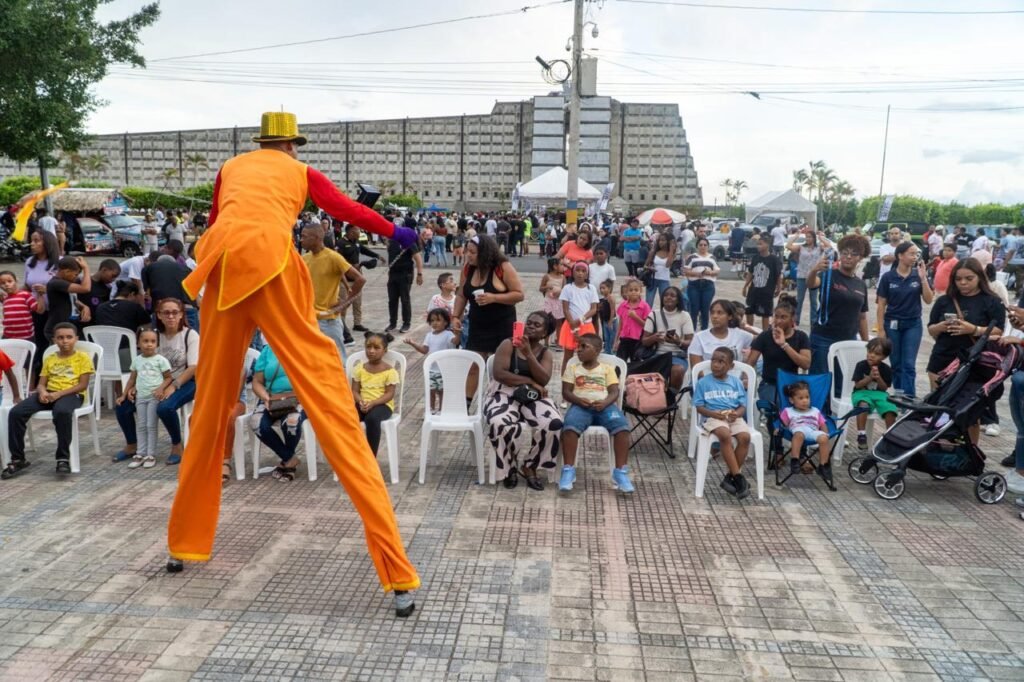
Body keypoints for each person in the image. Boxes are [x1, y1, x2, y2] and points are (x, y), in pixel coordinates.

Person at [167, 113, 421, 615]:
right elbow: (346, 209)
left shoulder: (231, 166)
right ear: (290, 145)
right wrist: (397, 231)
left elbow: (216, 219)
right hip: (269, 265)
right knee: (329, 398)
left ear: (262, 142)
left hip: (221, 268)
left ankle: (184, 543)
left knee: (212, 400)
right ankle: (397, 574)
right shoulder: (301, 172)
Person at [2, 323, 93, 478]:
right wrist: (43, 392)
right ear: (54, 340)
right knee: (16, 412)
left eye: (69, 337)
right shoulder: (50, 358)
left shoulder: (83, 358)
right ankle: (18, 459)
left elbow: (82, 385)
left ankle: (63, 458)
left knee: (62, 412)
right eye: (60, 338)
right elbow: (41, 384)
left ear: (76, 339)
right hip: (49, 393)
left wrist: (58, 394)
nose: (65, 341)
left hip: (72, 394)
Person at [114, 298, 198, 466]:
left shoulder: (190, 335)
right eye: (166, 312)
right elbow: (143, 363)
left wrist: (173, 386)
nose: (171, 316)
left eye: (175, 312)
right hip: (154, 382)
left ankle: (177, 445)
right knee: (122, 405)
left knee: (165, 408)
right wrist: (135, 386)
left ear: (181, 314)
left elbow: (193, 367)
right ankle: (132, 444)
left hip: (185, 382)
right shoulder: (154, 336)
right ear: (158, 315)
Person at [485, 311, 563, 491]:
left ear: (545, 333)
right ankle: (509, 467)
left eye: (537, 325)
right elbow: (499, 374)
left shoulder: (545, 353)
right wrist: (529, 381)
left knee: (554, 423)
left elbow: (544, 380)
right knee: (499, 422)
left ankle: (530, 466)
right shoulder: (508, 344)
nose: (530, 327)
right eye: (529, 323)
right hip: (504, 391)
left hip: (532, 396)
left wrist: (529, 354)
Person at [451, 235, 524, 402]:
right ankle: (465, 404)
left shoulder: (502, 267)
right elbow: (461, 294)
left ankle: (501, 402)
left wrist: (494, 298)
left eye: (473, 252)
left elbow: (519, 295)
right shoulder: (468, 268)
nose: (468, 255)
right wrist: (455, 316)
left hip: (502, 324)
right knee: (473, 366)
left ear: (485, 253)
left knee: (501, 368)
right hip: (477, 324)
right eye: (467, 251)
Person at [559, 333, 634, 493]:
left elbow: (614, 392)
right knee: (569, 428)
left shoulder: (607, 369)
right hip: (580, 406)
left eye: (584, 346)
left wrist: (605, 402)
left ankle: (620, 472)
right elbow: (566, 392)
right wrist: (578, 400)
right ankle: (568, 470)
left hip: (605, 407)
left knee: (622, 428)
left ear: (598, 350)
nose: (579, 350)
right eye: (578, 346)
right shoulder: (573, 368)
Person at [926, 257, 1004, 389]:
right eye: (958, 279)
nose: (963, 283)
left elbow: (999, 330)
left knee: (967, 399)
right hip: (943, 357)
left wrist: (974, 329)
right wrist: (940, 327)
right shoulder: (944, 301)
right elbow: (931, 328)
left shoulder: (992, 301)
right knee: (937, 398)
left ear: (979, 277)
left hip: (975, 360)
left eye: (969, 278)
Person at [693, 346, 753, 499]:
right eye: (713, 360)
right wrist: (713, 414)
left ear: (731, 366)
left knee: (745, 437)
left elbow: (742, 406)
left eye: (721, 362)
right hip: (712, 417)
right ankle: (738, 477)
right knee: (724, 435)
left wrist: (736, 414)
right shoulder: (703, 382)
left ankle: (730, 477)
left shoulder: (736, 382)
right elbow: (699, 407)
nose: (715, 364)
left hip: (733, 417)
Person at [807, 234, 871, 375]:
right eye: (844, 253)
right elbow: (811, 284)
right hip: (823, 337)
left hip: (849, 339)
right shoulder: (828, 275)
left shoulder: (860, 284)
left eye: (854, 254)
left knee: (843, 379)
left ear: (860, 258)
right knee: (820, 379)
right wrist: (814, 270)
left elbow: (862, 317)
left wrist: (866, 344)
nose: (848, 257)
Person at [876, 241, 933, 398]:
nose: (915, 257)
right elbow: (881, 305)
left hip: (912, 324)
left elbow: (929, 300)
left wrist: (923, 279)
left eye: (916, 254)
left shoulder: (917, 275)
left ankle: (909, 397)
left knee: (908, 363)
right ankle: (899, 395)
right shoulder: (888, 277)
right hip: (892, 324)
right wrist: (881, 330)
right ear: (900, 256)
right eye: (911, 253)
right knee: (896, 362)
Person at [300, 222, 364, 358]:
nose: (301, 240)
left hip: (328, 321)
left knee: (336, 360)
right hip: (309, 320)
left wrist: (345, 303)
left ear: (316, 238)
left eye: (304, 236)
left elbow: (360, 279)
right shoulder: (304, 259)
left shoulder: (333, 257)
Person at [249, 342, 307, 480]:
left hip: (299, 399)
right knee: (256, 422)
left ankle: (286, 463)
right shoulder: (268, 350)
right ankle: (290, 459)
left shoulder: (305, 344)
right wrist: (265, 397)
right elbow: (257, 381)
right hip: (272, 398)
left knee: (291, 422)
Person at [118, 327, 173, 470]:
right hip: (140, 397)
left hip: (154, 397)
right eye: (145, 341)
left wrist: (160, 389)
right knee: (141, 425)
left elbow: (168, 378)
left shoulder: (161, 360)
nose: (149, 344)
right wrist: (124, 395)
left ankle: (150, 454)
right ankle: (140, 453)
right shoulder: (137, 360)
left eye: (153, 341)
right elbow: (132, 379)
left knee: (151, 425)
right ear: (138, 343)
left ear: (157, 344)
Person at [746, 296, 810, 407]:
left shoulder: (801, 337)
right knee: (776, 406)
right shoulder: (765, 336)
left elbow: (805, 364)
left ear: (792, 319)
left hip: (792, 384)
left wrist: (784, 345)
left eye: (783, 317)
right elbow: (751, 362)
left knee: (800, 403)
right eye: (776, 316)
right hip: (770, 383)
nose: (778, 321)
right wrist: (745, 380)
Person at [353, 332, 399, 457]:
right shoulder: (360, 368)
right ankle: (351, 454)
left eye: (376, 348)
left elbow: (389, 394)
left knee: (372, 419)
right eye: (368, 347)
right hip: (362, 403)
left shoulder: (390, 371)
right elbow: (355, 390)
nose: (371, 351)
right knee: (348, 416)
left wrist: (373, 403)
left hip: (382, 405)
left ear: (385, 350)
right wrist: (360, 401)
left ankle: (370, 457)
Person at [780, 380, 832, 485]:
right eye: (800, 398)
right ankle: (795, 460)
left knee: (824, 438)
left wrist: (826, 434)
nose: (805, 401)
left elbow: (822, 424)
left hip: (813, 431)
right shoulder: (788, 411)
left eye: (807, 397)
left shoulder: (815, 411)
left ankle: (823, 465)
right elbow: (782, 423)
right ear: (791, 400)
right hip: (798, 430)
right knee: (799, 435)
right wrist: (779, 428)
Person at [404, 308, 456, 413]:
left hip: (444, 370)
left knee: (442, 391)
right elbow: (424, 350)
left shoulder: (448, 334)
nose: (434, 323)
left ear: (446, 322)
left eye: (438, 320)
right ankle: (431, 410)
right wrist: (413, 343)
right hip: (431, 369)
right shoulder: (429, 335)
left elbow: (455, 342)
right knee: (431, 390)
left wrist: (458, 334)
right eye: (432, 320)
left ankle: (442, 410)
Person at [851, 337, 898, 449]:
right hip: (861, 393)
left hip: (879, 394)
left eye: (877, 354)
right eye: (870, 351)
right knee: (863, 405)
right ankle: (861, 434)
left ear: (884, 357)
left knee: (890, 407)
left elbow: (884, 388)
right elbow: (858, 385)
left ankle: (890, 437)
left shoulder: (886, 369)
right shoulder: (861, 365)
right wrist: (870, 378)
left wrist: (878, 378)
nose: (871, 355)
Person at [558, 262, 600, 378]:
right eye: (578, 270)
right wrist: (572, 324)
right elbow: (566, 309)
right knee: (568, 356)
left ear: (587, 274)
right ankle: (565, 380)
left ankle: (583, 379)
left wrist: (580, 319)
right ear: (573, 272)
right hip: (570, 325)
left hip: (586, 326)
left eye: (583, 271)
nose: (580, 273)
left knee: (586, 355)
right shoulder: (567, 288)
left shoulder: (591, 289)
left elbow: (593, 309)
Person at [336, 224, 380, 333]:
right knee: (344, 303)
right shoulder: (341, 243)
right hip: (345, 280)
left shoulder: (355, 242)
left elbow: (364, 250)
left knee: (357, 302)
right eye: (358, 230)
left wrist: (377, 256)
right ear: (351, 231)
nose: (360, 232)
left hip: (357, 279)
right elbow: (337, 262)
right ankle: (342, 325)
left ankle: (357, 323)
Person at [688, 300, 753, 369]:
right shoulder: (699, 337)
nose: (715, 316)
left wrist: (750, 329)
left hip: (735, 375)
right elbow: (697, 368)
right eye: (712, 313)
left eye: (720, 313)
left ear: (730, 316)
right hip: (708, 375)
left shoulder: (739, 335)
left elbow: (760, 341)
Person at [786, 227, 830, 326]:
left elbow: (829, 247)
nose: (808, 239)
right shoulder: (801, 247)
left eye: (810, 237)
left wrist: (821, 238)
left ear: (814, 238)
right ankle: (795, 320)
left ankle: (813, 322)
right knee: (799, 299)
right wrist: (796, 236)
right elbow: (788, 246)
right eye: (806, 237)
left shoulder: (819, 248)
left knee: (813, 301)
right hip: (801, 276)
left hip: (814, 276)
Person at [385, 228, 424, 335]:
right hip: (393, 274)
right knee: (392, 300)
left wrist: (419, 274)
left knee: (405, 299)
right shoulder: (391, 242)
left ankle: (406, 323)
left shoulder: (408, 242)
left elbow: (418, 258)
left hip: (405, 274)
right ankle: (392, 323)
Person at [45, 256, 92, 338]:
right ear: (67, 271)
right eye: (75, 274)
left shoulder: (66, 281)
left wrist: (84, 306)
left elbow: (72, 299)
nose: (76, 277)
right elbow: (86, 288)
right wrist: (86, 268)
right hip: (57, 330)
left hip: (69, 327)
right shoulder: (56, 283)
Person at [743, 234, 783, 330]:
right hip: (754, 290)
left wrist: (779, 287)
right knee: (749, 311)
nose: (758, 246)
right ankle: (750, 330)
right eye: (758, 244)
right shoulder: (755, 258)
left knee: (765, 314)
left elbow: (778, 275)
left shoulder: (774, 260)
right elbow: (751, 272)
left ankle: (764, 333)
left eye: (760, 244)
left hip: (767, 291)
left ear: (767, 245)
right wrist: (745, 286)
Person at [684, 238, 719, 331]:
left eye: (705, 245)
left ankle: (704, 330)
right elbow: (686, 271)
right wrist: (697, 274)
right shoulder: (692, 257)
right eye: (700, 245)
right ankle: (692, 331)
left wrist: (709, 273)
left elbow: (717, 271)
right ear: (697, 246)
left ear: (708, 246)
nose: (703, 246)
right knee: (694, 309)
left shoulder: (712, 257)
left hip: (708, 286)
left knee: (705, 310)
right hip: (694, 285)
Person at [614, 279, 651, 362]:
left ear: (640, 291)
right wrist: (616, 340)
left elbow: (648, 326)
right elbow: (620, 324)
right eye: (631, 290)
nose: (633, 292)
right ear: (626, 292)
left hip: (637, 340)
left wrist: (635, 317)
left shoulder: (645, 306)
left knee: (635, 363)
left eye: (636, 290)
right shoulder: (623, 305)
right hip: (624, 339)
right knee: (620, 362)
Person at [0, 270, 43, 340]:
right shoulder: (5, 299)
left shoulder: (25, 295)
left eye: (10, 281)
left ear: (16, 281)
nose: (6, 284)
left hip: (26, 337)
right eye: (2, 283)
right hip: (8, 336)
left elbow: (39, 310)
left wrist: (40, 295)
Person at [643, 231, 676, 307]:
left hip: (664, 280)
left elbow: (668, 265)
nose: (661, 242)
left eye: (663, 240)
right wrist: (650, 268)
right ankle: (648, 314)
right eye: (660, 240)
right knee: (648, 302)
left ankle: (662, 314)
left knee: (665, 302)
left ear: (668, 241)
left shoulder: (671, 254)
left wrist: (671, 250)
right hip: (652, 279)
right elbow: (645, 266)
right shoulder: (654, 252)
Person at [540, 258, 566, 347]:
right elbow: (540, 288)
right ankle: (546, 342)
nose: (563, 267)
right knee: (548, 321)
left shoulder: (563, 277)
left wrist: (560, 292)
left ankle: (559, 341)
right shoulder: (547, 277)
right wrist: (547, 287)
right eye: (561, 265)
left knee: (559, 322)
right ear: (555, 266)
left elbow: (565, 289)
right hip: (549, 302)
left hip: (559, 302)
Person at [596, 280, 617, 354]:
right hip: (605, 321)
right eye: (601, 288)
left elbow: (612, 310)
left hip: (611, 321)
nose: (602, 290)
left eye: (604, 288)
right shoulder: (603, 299)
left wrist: (610, 321)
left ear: (609, 288)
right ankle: (607, 350)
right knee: (606, 337)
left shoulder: (610, 298)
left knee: (612, 337)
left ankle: (612, 351)